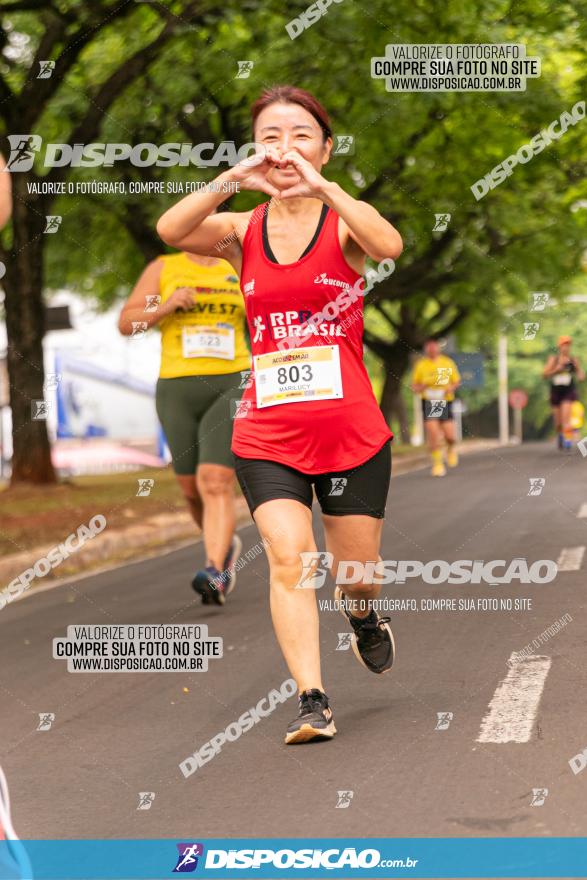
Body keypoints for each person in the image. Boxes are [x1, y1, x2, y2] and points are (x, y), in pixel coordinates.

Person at [157, 85, 403, 744]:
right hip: (267, 430)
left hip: (350, 431)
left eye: (299, 134)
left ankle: (363, 619)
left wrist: (324, 189)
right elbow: (170, 230)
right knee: (288, 558)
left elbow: (389, 247)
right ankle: (312, 699)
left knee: (357, 576)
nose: (284, 147)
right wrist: (230, 181)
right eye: (270, 135)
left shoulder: (344, 220)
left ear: (323, 147)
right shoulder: (240, 231)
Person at [118, 250, 250, 603]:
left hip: (232, 380)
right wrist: (166, 306)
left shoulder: (236, 264)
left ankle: (213, 569)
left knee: (215, 480)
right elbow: (128, 323)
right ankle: (224, 544)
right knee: (191, 490)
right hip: (177, 387)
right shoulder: (164, 267)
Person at [411, 339, 461, 477]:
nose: (432, 349)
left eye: (434, 347)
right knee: (433, 433)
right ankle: (437, 464)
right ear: (426, 349)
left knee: (450, 436)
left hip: (444, 401)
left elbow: (456, 381)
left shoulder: (446, 362)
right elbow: (414, 386)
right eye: (429, 347)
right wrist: (423, 386)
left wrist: (449, 388)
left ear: (438, 348)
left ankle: (450, 449)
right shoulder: (421, 365)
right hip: (429, 401)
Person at [543, 336, 585, 449]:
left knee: (566, 417)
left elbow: (581, 377)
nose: (566, 347)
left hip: (568, 391)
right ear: (559, 347)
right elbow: (544, 375)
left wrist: (577, 368)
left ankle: (568, 441)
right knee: (558, 422)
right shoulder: (554, 359)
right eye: (563, 345)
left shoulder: (573, 360)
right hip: (556, 391)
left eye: (568, 345)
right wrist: (556, 370)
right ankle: (561, 435)